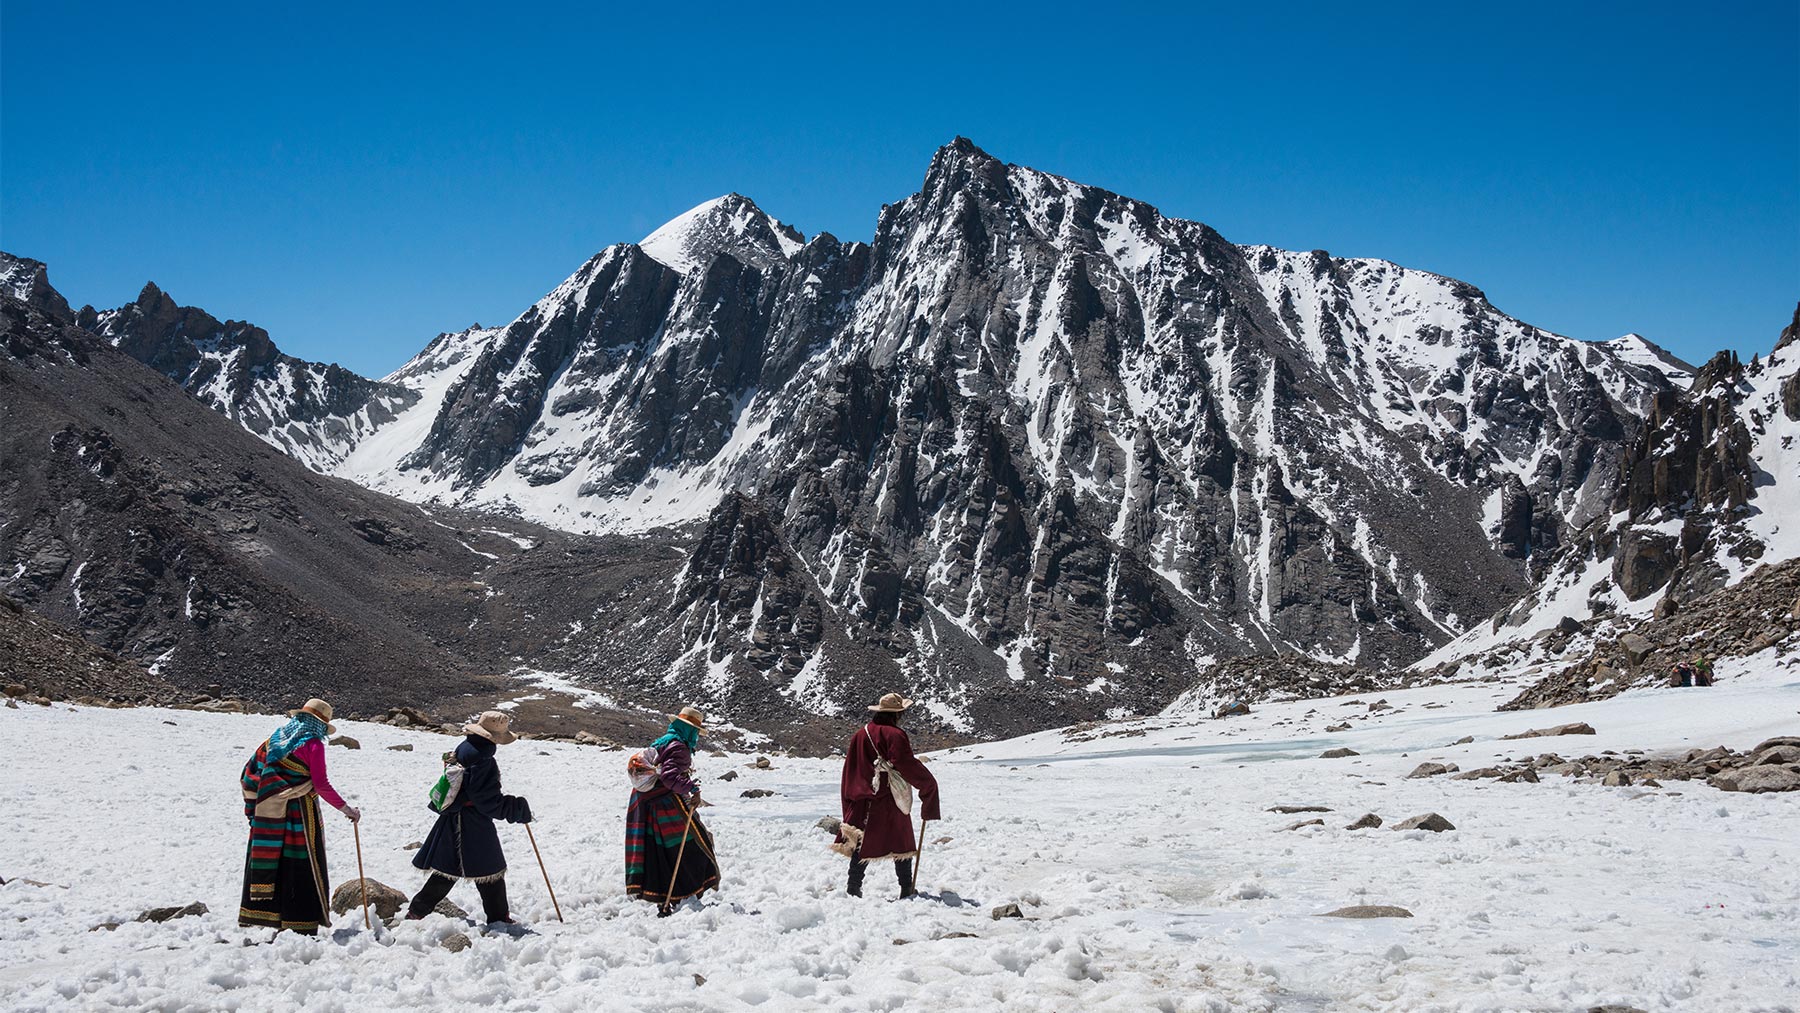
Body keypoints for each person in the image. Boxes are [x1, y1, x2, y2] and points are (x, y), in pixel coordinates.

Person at [239, 698, 361, 934]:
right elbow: (321, 784)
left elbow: (250, 772)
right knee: (303, 861)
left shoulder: (274, 740)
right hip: (300, 813)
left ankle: (270, 916)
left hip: (271, 812)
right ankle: (301, 922)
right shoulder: (313, 745)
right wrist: (347, 809)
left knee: (279, 860)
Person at [405, 711, 533, 924]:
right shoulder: (483, 758)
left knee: (450, 868)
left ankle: (417, 911)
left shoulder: (465, 748)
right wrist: (514, 808)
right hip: (472, 822)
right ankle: (499, 918)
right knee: (490, 867)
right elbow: (486, 800)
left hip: (454, 817)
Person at [834, 692, 941, 899]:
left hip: (864, 798)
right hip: (889, 796)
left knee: (860, 841)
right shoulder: (895, 735)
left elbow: (852, 767)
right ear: (897, 714)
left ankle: (853, 887)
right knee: (901, 840)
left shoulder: (860, 734)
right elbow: (906, 763)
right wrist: (928, 785)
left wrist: (852, 795)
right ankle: (906, 887)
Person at [625, 705, 721, 915]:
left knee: (661, 849)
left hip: (646, 801)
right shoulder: (680, 748)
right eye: (695, 731)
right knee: (693, 843)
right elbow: (669, 777)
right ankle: (681, 894)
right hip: (665, 803)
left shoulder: (664, 741)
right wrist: (692, 789)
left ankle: (667, 896)